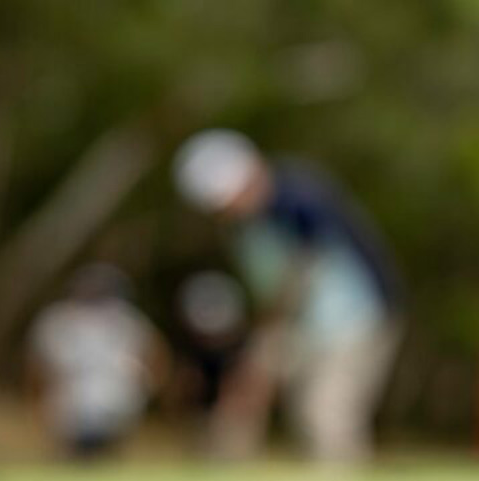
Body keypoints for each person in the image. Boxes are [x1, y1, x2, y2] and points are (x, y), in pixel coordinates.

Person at [174, 130, 403, 463]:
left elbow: (301, 278)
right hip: (301, 324)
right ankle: (223, 472)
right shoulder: (243, 227)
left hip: (357, 319)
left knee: (325, 409)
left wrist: (268, 340)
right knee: (245, 394)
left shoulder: (300, 198)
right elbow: (271, 289)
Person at [29, 263, 166, 459]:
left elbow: (156, 358)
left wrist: (147, 389)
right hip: (71, 408)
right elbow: (37, 370)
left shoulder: (127, 320)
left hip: (116, 406)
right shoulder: (57, 321)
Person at [173, 270, 248, 453]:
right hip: (202, 411)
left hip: (231, 413)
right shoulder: (193, 350)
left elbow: (245, 389)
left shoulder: (240, 349)